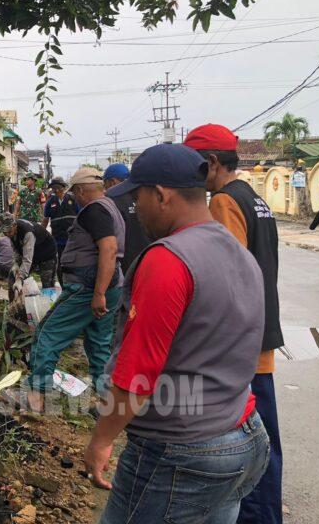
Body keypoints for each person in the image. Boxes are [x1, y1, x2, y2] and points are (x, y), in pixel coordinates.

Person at [85, 144, 270, 524]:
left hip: (182, 455)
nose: (136, 211)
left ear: (161, 195)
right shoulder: (236, 252)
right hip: (243, 435)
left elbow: (136, 375)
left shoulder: (168, 260)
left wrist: (101, 440)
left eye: (138, 198)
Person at [184, 124, 285, 524]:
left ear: (211, 163)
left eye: (195, 167)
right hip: (262, 332)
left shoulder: (225, 202)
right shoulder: (254, 198)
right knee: (265, 442)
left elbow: (227, 276)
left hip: (243, 344)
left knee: (249, 445)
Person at [27, 167, 125, 411]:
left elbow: (109, 249)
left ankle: (36, 401)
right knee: (98, 343)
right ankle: (106, 403)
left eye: (76, 193)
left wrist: (98, 293)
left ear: (81, 191)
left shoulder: (94, 210)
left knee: (46, 335)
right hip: (109, 284)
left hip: (88, 287)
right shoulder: (112, 207)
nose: (75, 198)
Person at [0, 212, 57, 298]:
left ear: (14, 225)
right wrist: (16, 264)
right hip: (33, 253)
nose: (7, 234)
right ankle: (14, 305)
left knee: (47, 283)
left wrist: (19, 279)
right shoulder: (11, 233)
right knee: (12, 274)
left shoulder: (27, 232)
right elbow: (15, 250)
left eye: (9, 231)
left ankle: (50, 307)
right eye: (5, 232)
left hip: (47, 254)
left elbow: (27, 260)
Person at [105, 162, 151, 275]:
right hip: (149, 256)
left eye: (105, 183)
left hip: (124, 262)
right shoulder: (144, 193)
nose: (105, 187)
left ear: (112, 182)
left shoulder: (111, 198)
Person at [42, 175, 80, 280]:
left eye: (59, 187)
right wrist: (40, 234)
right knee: (60, 265)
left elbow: (81, 215)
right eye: (54, 188)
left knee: (73, 264)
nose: (57, 190)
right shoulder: (50, 202)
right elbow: (45, 219)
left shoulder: (73, 199)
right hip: (58, 239)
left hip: (72, 239)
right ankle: (64, 287)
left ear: (63, 187)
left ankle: (74, 284)